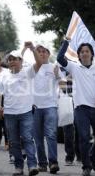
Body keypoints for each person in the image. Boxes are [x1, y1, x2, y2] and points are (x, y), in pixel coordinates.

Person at [57, 39, 95, 176]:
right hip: (81, 108)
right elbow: (59, 58)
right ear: (79, 55)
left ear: (91, 54)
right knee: (84, 137)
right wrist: (66, 42)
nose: (84, 53)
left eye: (87, 51)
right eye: (82, 52)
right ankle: (86, 167)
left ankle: (93, 159)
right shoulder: (74, 67)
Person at [0, 47, 39, 176]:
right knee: (13, 141)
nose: (12, 62)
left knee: (27, 138)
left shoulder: (28, 72)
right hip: (9, 114)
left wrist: (32, 48)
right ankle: (18, 167)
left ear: (21, 61)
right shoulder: (4, 74)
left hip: (26, 112)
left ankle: (32, 165)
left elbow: (39, 62)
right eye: (10, 60)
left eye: (15, 59)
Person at [23, 42, 60, 174]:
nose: (42, 53)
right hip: (35, 107)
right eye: (39, 51)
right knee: (37, 137)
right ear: (36, 54)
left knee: (51, 134)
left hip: (51, 105)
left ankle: (53, 162)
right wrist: (25, 49)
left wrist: (57, 75)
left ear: (49, 54)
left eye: (45, 51)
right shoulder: (31, 68)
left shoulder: (54, 67)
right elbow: (19, 67)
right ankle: (42, 164)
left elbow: (60, 81)